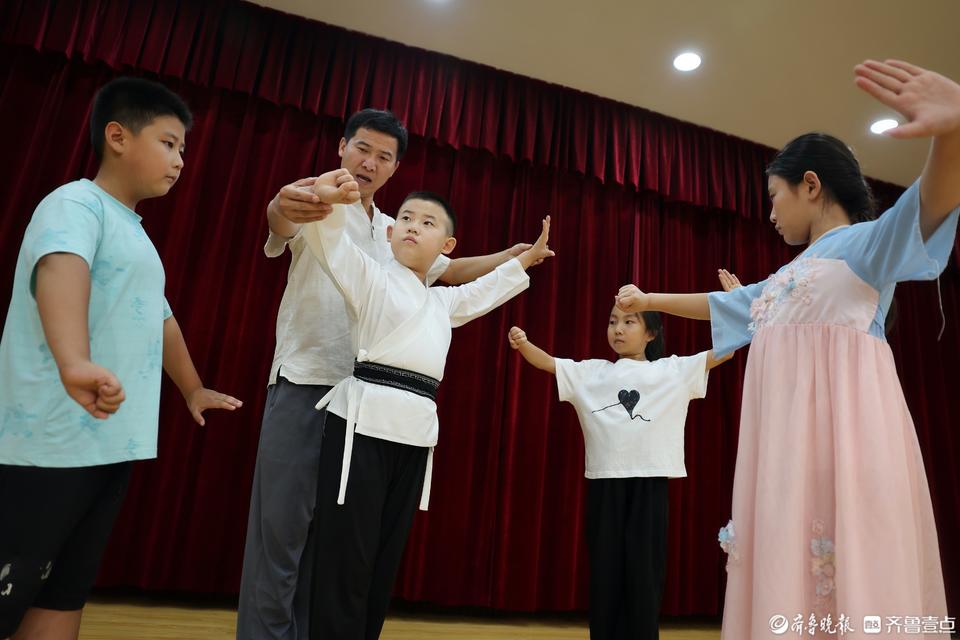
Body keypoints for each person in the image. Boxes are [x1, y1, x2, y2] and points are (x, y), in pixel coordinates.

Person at [616, 59, 960, 638]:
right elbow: (722, 303)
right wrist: (650, 298)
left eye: (775, 196)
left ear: (811, 185)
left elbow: (928, 205)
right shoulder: (784, 278)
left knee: (851, 571)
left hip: (845, 448)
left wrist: (951, 134)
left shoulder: (863, 246)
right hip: (786, 455)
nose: (770, 213)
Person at [239, 108, 540, 640]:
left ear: (395, 167)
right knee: (281, 531)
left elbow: (451, 272)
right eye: (362, 148)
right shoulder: (320, 199)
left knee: (336, 540)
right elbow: (282, 217)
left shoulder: (393, 230)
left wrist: (511, 258)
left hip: (365, 406)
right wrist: (286, 204)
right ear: (341, 147)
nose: (369, 162)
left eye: (383, 156)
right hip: (306, 378)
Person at [0, 77, 241, 639]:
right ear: (117, 136)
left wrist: (192, 388)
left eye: (183, 149)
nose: (180, 160)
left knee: (62, 596)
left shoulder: (136, 234)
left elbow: (160, 319)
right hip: (48, 443)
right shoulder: (75, 203)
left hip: (109, 445)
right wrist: (73, 361)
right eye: (168, 143)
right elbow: (62, 268)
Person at [300, 169, 554, 640]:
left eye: (427, 222)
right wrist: (329, 203)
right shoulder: (370, 277)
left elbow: (482, 292)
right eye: (406, 218)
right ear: (390, 234)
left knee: (383, 557)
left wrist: (526, 259)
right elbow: (332, 245)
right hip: (360, 426)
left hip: (414, 436)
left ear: (447, 246)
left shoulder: (441, 303)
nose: (413, 226)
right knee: (346, 554)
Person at [508, 298, 730, 640]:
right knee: (605, 570)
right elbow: (549, 363)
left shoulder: (672, 370)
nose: (618, 329)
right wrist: (524, 344)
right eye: (613, 322)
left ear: (651, 333)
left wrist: (735, 306)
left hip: (650, 483)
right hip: (605, 483)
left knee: (645, 572)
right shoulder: (592, 372)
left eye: (629, 322)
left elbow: (723, 352)